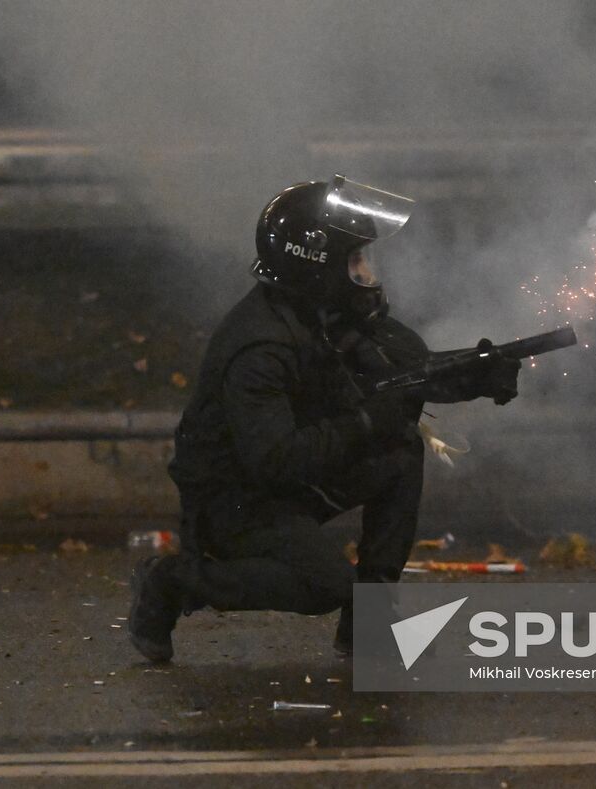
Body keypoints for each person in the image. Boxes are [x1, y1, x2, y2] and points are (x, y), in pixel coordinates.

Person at [128, 175, 521, 663]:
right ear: (318, 267)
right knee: (324, 585)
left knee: (400, 453)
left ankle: (369, 625)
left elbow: (403, 376)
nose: (367, 272)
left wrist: (474, 377)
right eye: (355, 260)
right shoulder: (262, 347)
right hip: (233, 501)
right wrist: (364, 423)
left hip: (288, 481)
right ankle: (173, 582)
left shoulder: (326, 314)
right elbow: (273, 459)